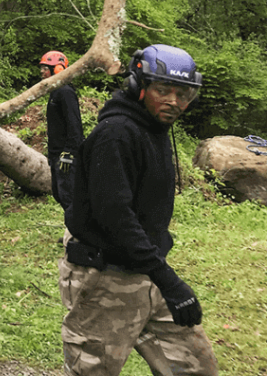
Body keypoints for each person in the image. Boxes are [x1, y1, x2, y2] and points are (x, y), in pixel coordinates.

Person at [60, 44, 218, 376]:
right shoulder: (116, 135)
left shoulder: (155, 127)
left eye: (184, 93)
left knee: (196, 366)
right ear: (138, 85)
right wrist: (170, 282)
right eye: (163, 90)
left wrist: (159, 272)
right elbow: (115, 216)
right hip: (106, 280)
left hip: (146, 270)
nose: (174, 101)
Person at [39, 50, 83, 214]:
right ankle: (72, 233)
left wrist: (70, 152)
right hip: (56, 154)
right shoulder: (55, 91)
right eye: (42, 69)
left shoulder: (65, 92)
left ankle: (78, 236)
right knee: (60, 195)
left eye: (45, 68)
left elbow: (75, 125)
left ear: (57, 69)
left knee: (69, 196)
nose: (42, 73)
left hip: (66, 156)